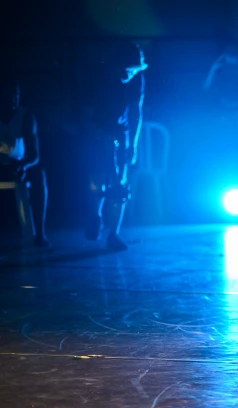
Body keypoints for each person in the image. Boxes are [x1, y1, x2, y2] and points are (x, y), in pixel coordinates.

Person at [84, 42, 147, 251]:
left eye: (133, 69)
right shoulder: (100, 78)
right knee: (98, 177)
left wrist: (133, 144)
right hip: (97, 130)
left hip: (121, 133)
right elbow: (86, 110)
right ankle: (95, 216)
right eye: (127, 68)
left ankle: (113, 234)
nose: (129, 73)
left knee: (120, 183)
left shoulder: (136, 80)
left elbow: (136, 111)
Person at [0, 73, 48, 247]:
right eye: (7, 96)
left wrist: (24, 165)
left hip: (19, 164)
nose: (13, 100)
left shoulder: (26, 116)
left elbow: (35, 154)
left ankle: (40, 233)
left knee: (39, 175)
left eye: (16, 95)